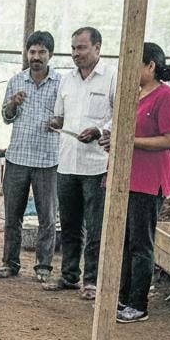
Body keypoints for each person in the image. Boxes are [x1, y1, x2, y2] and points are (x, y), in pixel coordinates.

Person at [99, 43, 170, 323]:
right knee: (122, 241)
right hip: (125, 179)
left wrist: (128, 142)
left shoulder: (166, 97)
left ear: (151, 66)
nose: (127, 70)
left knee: (140, 244)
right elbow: (122, 133)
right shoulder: (133, 95)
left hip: (148, 183)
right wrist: (111, 140)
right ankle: (122, 296)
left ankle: (138, 304)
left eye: (134, 63)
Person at [43, 26, 116, 300]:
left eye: (82, 47)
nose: (76, 53)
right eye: (73, 48)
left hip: (96, 165)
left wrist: (99, 131)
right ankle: (69, 275)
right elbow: (60, 116)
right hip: (67, 163)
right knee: (70, 224)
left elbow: (120, 114)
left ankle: (92, 281)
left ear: (97, 48)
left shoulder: (111, 77)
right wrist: (55, 123)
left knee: (95, 226)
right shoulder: (68, 80)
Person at [0, 30, 61, 282]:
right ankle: (9, 263)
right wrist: (13, 103)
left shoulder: (60, 83)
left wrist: (58, 120)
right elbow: (6, 116)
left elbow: (67, 117)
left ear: (50, 55)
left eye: (41, 52)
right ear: (26, 53)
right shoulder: (16, 81)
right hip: (17, 159)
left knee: (47, 216)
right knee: (13, 215)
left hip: (47, 159)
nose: (36, 56)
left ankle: (43, 266)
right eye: (32, 52)